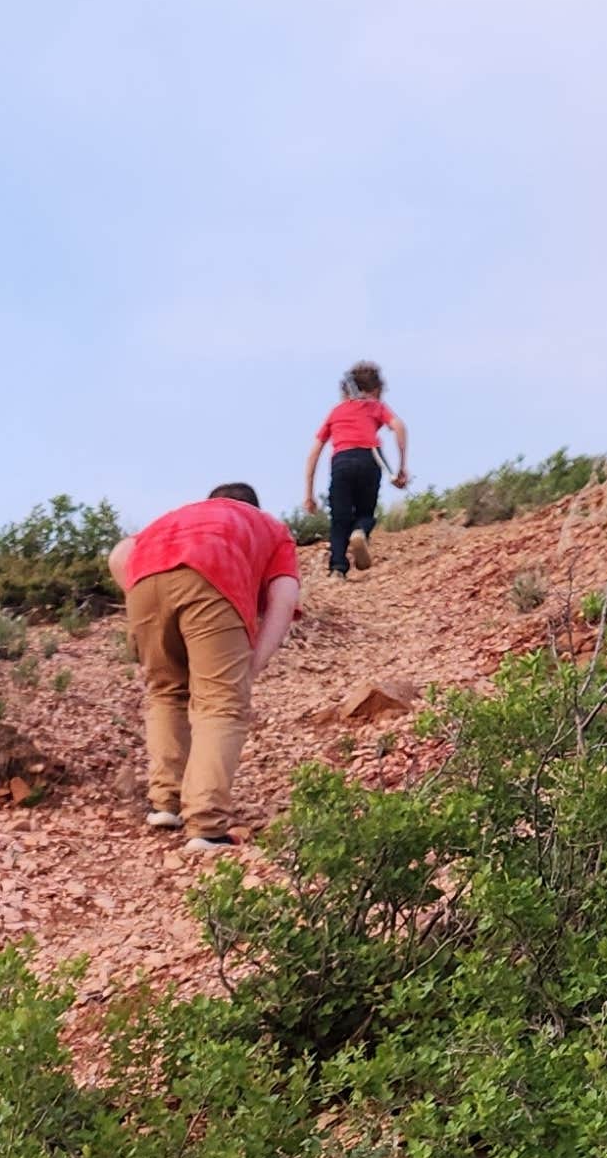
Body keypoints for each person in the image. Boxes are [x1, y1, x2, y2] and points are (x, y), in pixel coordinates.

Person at [108, 480, 301, 847]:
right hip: (214, 577)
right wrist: (253, 664)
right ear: (255, 507)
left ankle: (166, 803)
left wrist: (139, 593)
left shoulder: (178, 516)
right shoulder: (270, 527)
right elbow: (284, 597)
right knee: (222, 705)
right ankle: (206, 824)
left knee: (166, 693)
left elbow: (119, 555)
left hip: (145, 580)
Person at [301, 360, 409, 577]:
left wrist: (309, 494)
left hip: (341, 462)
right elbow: (398, 426)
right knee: (365, 511)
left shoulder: (336, 412)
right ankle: (360, 531)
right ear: (376, 390)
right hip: (369, 459)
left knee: (339, 518)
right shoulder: (375, 407)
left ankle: (337, 569)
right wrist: (401, 467)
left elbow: (314, 452)